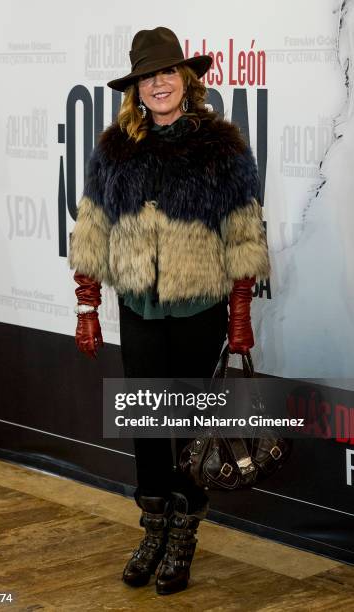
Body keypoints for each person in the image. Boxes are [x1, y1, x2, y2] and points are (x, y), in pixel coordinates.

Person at [69, 26, 270, 595]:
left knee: (191, 428)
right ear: (135, 88)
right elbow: (92, 227)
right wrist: (87, 304)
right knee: (148, 427)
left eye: (166, 72)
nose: (158, 84)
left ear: (186, 78)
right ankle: (153, 528)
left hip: (200, 308)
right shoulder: (115, 147)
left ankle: (184, 536)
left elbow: (243, 230)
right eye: (146, 77)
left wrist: (239, 313)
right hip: (139, 307)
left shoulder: (221, 145)